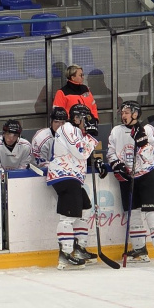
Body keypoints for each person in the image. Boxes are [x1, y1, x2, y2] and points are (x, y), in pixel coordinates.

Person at [107, 100, 154, 264]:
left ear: (135, 114)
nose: (123, 115)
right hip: (127, 177)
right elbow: (111, 152)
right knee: (132, 213)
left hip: (147, 174)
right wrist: (116, 164)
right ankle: (139, 250)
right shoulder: (116, 131)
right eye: (122, 112)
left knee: (152, 211)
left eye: (126, 112)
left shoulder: (147, 129)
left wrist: (143, 144)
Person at [47, 103, 100, 269]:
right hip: (64, 175)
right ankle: (65, 254)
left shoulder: (77, 132)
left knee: (84, 207)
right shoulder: (67, 128)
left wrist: (96, 160)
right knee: (67, 217)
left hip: (73, 176)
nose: (88, 122)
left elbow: (82, 154)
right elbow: (81, 152)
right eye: (86, 119)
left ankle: (78, 248)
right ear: (77, 118)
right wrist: (91, 137)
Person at [31, 106, 66, 171]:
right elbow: (40, 164)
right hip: (39, 175)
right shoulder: (41, 138)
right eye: (56, 122)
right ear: (51, 122)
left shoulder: (70, 136)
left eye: (63, 122)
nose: (60, 125)